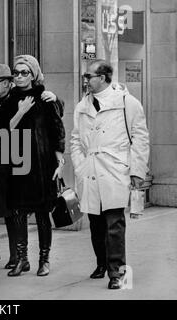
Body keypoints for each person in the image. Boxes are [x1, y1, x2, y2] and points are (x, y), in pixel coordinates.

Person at [0, 63, 61, 270]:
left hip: (14, 167)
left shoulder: (16, 100)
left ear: (7, 84)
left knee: (12, 213)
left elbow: (51, 117)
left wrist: (54, 97)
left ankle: (16, 256)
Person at [70, 60, 150, 290]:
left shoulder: (127, 103)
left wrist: (137, 171)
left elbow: (140, 138)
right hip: (90, 170)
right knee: (95, 223)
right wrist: (79, 165)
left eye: (89, 77)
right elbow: (76, 139)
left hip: (115, 170)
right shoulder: (82, 106)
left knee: (114, 222)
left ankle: (117, 272)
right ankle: (102, 263)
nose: (86, 81)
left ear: (103, 77)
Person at [0, 55, 66, 277]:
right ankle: (22, 259)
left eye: (24, 72)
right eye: (15, 73)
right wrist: (21, 111)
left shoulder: (44, 98)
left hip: (42, 164)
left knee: (42, 214)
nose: (19, 77)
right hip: (17, 164)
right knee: (18, 213)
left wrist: (60, 160)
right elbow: (1, 132)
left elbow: (57, 130)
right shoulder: (8, 101)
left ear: (33, 74)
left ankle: (44, 260)